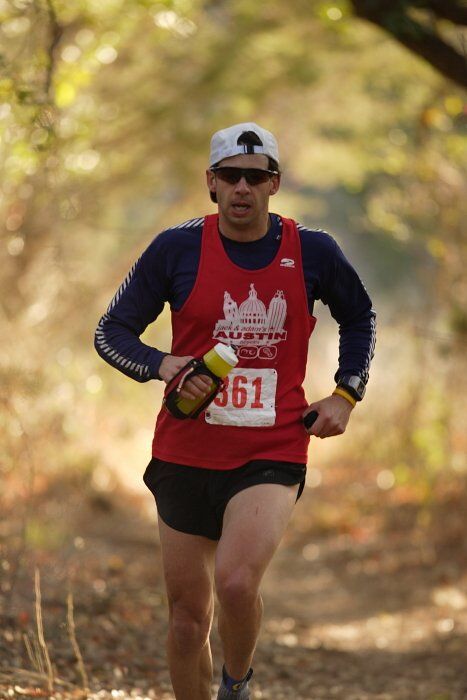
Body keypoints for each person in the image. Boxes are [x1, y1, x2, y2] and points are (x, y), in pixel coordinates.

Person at [94, 122, 376, 700]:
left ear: (274, 183)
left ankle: (237, 682)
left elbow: (361, 317)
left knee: (238, 582)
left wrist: (345, 394)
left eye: (255, 176)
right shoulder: (175, 248)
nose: (242, 187)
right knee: (186, 621)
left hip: (271, 448)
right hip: (184, 450)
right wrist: (162, 364)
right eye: (230, 176)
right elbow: (111, 331)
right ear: (211, 183)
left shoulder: (313, 251)